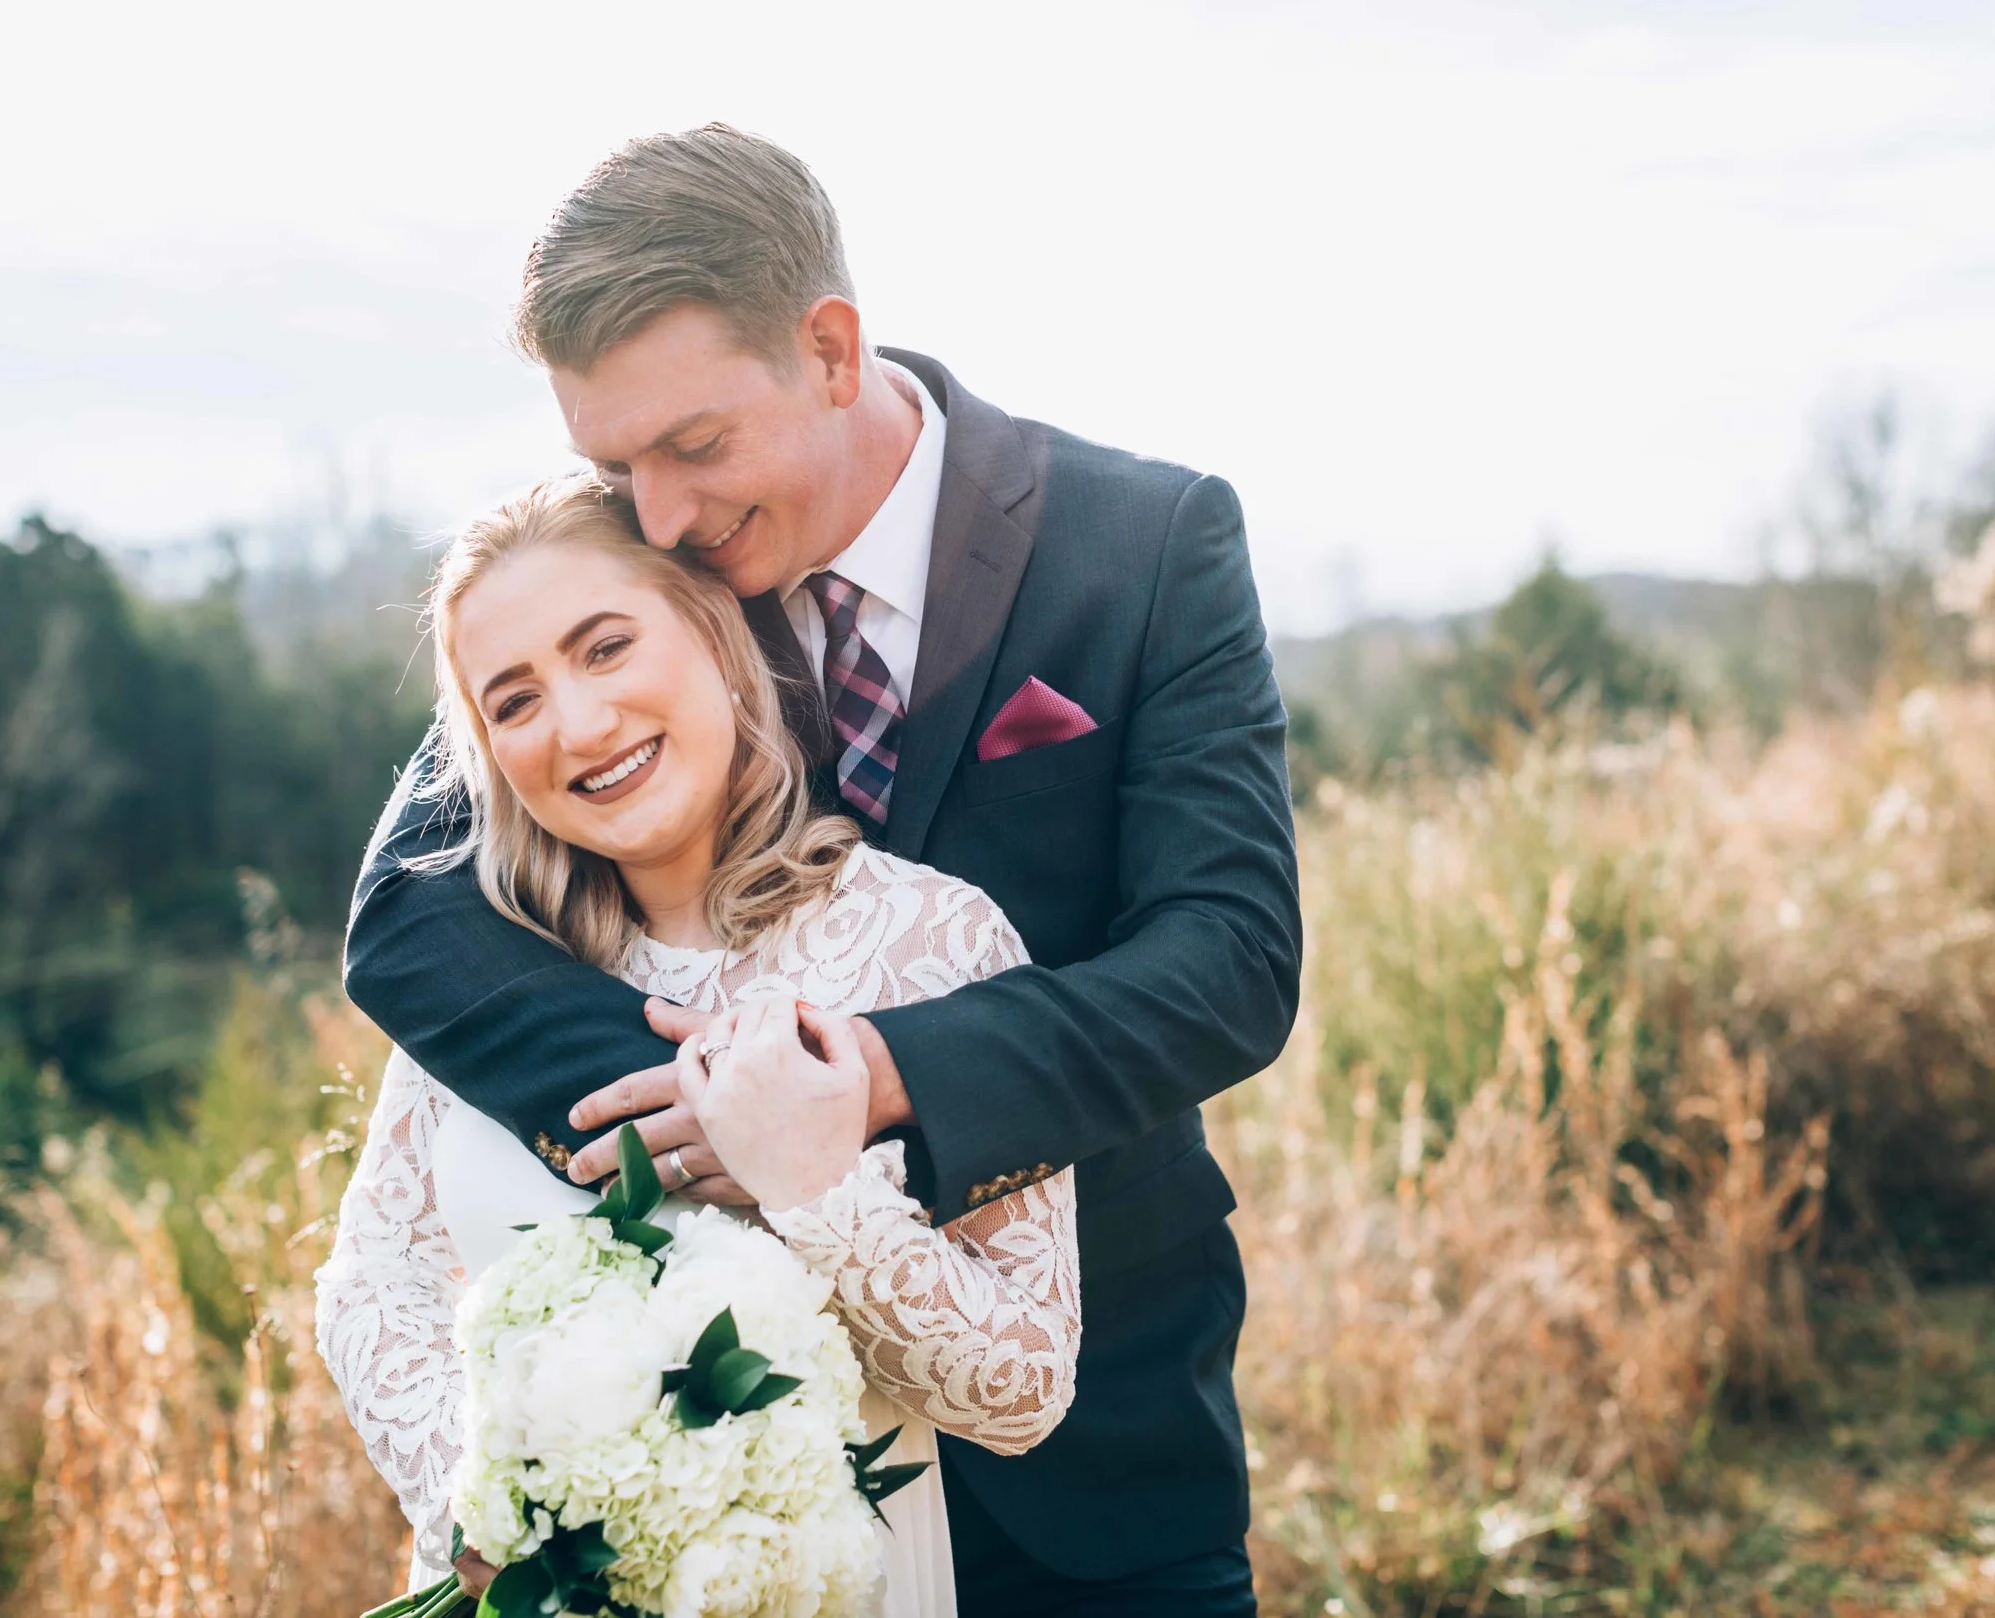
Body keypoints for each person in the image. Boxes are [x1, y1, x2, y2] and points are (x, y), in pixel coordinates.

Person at [345, 124, 1301, 1616]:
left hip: (1092, 1421)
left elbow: (1228, 957)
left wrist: (859, 1084)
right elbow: (409, 908)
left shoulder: (1145, 542)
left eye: (695, 445)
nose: (659, 512)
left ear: (832, 350)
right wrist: (696, 1150)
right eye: (611, 463)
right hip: (712, 1459)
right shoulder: (633, 571)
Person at [316, 477, 1080, 1613]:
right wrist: (499, 1504)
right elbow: (373, 1280)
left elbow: (1025, 1389)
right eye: (514, 701)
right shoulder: (487, 970)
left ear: (716, 636)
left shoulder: (931, 939)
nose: (580, 725)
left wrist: (815, 1189)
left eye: (606, 647)